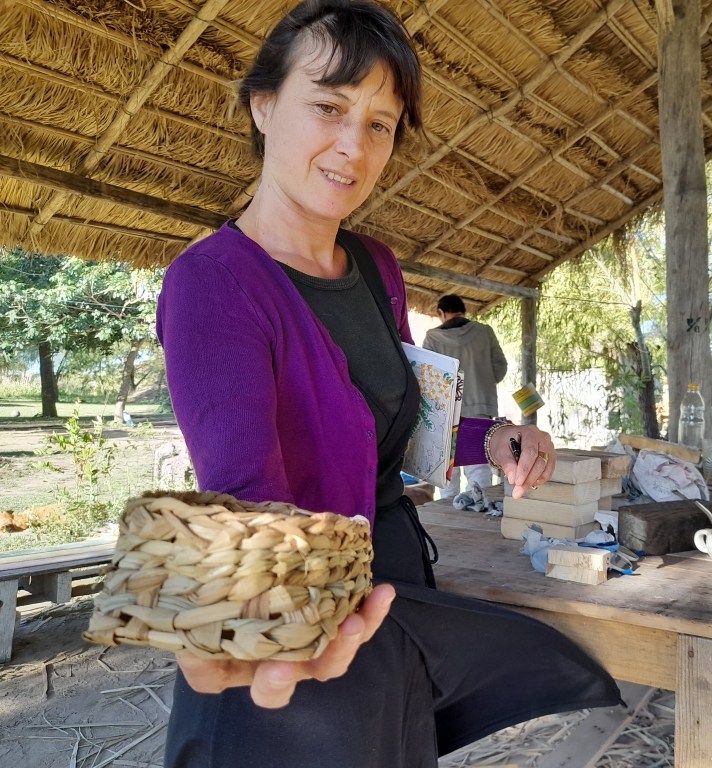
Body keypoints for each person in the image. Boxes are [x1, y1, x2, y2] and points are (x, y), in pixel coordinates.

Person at [155, 2, 619, 765]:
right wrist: (272, 621)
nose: (354, 145)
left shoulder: (375, 266)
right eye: (328, 107)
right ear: (263, 105)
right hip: (294, 627)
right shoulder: (213, 283)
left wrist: (493, 438)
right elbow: (244, 495)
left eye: (380, 123)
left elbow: (394, 427)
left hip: (391, 597)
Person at [423, 294, 507, 498]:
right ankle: (479, 506)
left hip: (446, 411)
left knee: (447, 470)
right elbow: (500, 367)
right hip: (480, 407)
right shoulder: (485, 332)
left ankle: (448, 509)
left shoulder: (432, 338)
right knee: (478, 467)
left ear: (441, 313)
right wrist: (483, 384)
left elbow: (426, 375)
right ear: (464, 310)